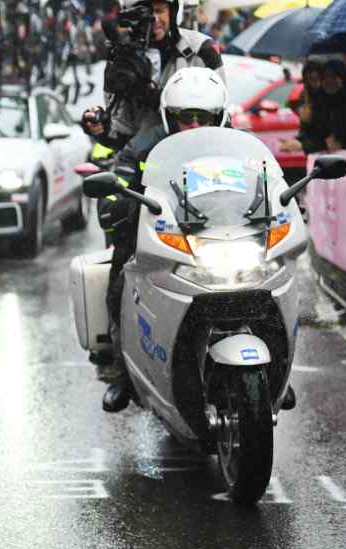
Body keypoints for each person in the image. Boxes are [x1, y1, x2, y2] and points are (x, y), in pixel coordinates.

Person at [98, 67, 227, 412]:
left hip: (222, 237)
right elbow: (117, 184)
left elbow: (266, 179)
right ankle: (124, 375)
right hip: (160, 235)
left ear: (220, 116)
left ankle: (277, 368)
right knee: (119, 284)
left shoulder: (235, 145)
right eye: (187, 117)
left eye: (205, 117)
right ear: (171, 116)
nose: (196, 125)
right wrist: (117, 205)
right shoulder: (144, 145)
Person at [81, 0, 224, 157]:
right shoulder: (120, 57)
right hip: (143, 165)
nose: (153, 19)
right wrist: (102, 128)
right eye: (144, 12)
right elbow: (121, 131)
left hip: (194, 157)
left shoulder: (202, 50)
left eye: (159, 10)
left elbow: (218, 113)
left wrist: (152, 95)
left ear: (173, 11)